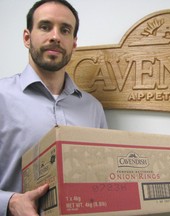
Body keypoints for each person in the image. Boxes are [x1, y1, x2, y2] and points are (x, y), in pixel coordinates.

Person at [0, 0, 107, 215]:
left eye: (65, 30)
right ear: (27, 37)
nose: (55, 36)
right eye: (45, 26)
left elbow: (103, 176)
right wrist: (9, 202)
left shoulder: (93, 108)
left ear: (73, 43)